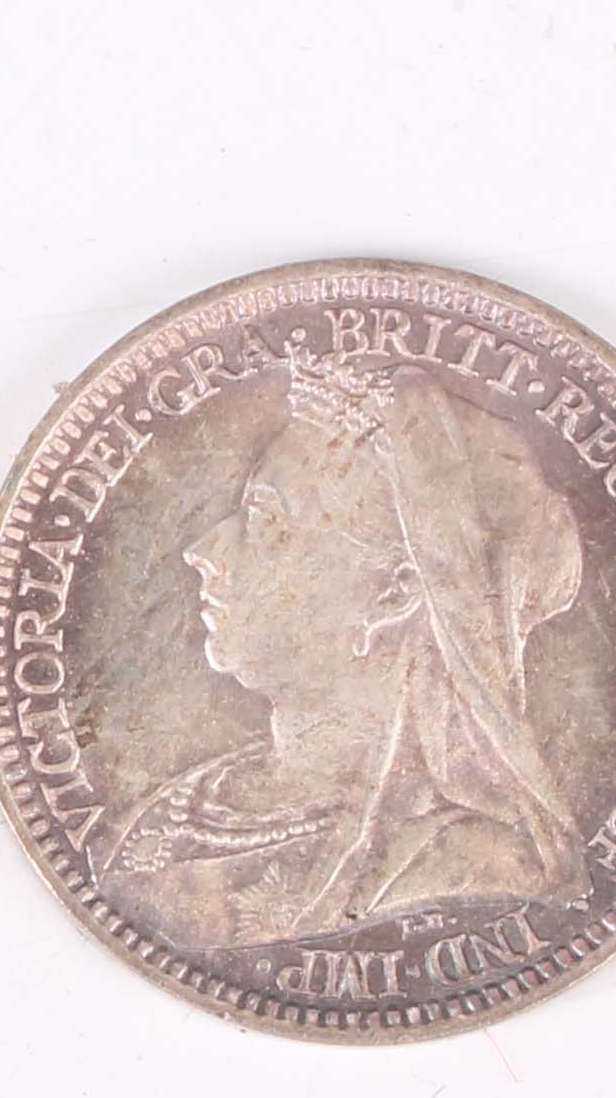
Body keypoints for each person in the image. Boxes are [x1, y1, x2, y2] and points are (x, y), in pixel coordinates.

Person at [93, 353, 589, 950]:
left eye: (266, 520)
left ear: (395, 591)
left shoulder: (474, 868)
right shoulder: (182, 804)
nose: (204, 550)